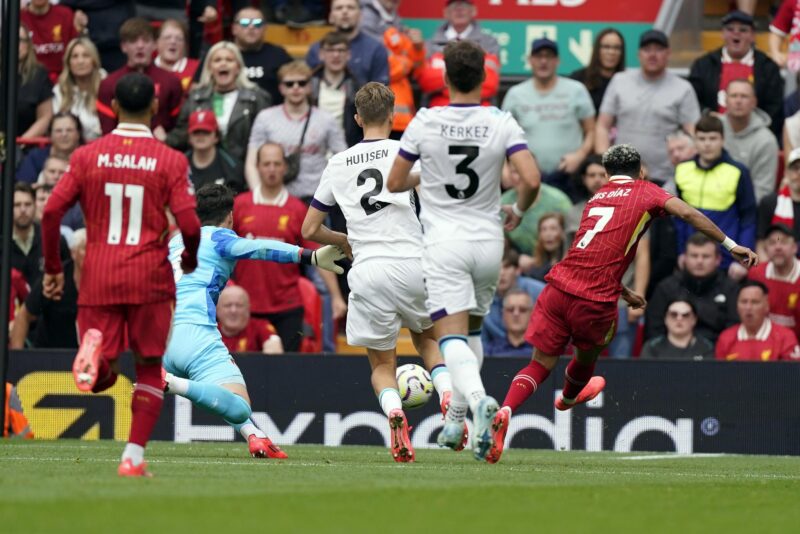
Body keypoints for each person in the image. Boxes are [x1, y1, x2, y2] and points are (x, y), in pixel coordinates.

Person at [487, 143, 759, 464]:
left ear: (605, 174)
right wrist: (730, 245)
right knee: (587, 355)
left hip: (558, 288)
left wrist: (626, 292)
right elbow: (687, 212)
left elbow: (594, 254)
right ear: (641, 171)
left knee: (540, 364)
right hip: (594, 300)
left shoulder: (596, 198)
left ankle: (506, 408)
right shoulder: (646, 191)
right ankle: (570, 396)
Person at [41, 73, 202, 477]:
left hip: (98, 274)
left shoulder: (86, 155)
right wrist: (190, 260)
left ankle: (99, 355)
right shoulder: (171, 160)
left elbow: (50, 213)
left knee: (100, 377)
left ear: (112, 108)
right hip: (150, 277)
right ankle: (132, 458)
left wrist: (55, 268)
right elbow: (190, 223)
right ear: (153, 108)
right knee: (149, 368)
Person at [387, 40, 541, 461]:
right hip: (489, 241)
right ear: (486, 78)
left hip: (445, 242)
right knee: (471, 332)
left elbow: (395, 183)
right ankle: (456, 419)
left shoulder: (425, 121)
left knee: (449, 335)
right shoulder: (501, 120)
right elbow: (530, 178)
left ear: (445, 78)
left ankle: (477, 403)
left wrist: (429, 173)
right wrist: (519, 211)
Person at [302, 81, 456, 462]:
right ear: (392, 116)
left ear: (356, 118)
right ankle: (449, 394)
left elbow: (308, 230)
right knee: (428, 341)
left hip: (368, 268)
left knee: (383, 364)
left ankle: (394, 413)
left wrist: (343, 239)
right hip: (414, 263)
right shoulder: (406, 155)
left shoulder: (336, 164)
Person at [163, 184, 344, 459]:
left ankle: (255, 436)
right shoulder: (221, 237)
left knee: (222, 393)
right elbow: (260, 247)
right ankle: (171, 382)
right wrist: (311, 256)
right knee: (238, 405)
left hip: (160, 336)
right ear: (230, 217)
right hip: (195, 334)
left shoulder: (176, 241)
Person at [234, 142, 347, 351]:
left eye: (277, 164)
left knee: (286, 375)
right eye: (266, 164)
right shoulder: (239, 205)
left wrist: (337, 297)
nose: (271, 169)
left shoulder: (297, 209)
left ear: (285, 168)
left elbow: (319, 256)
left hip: (287, 308)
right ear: (257, 167)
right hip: (244, 309)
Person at [596, 29, 700, 188]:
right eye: (647, 49)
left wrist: (683, 164)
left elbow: (693, 134)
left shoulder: (683, 88)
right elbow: (602, 126)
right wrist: (605, 164)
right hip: (622, 175)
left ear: (668, 53)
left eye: (659, 49)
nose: (652, 55)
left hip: (666, 179)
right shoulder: (620, 81)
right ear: (638, 54)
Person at [502, 38, 594, 198]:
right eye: (538, 56)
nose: (543, 61)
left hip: (568, 176)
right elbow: (502, 137)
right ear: (530, 60)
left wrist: (580, 155)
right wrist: (504, 169)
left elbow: (592, 130)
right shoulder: (515, 94)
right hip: (528, 176)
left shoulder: (576, 90)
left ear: (557, 61)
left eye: (549, 56)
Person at [246, 61, 347, 198]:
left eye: (302, 83)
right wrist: (259, 197)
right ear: (281, 88)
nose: (295, 87)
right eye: (289, 84)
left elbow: (343, 159)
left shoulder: (327, 120)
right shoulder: (265, 118)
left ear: (309, 87)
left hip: (315, 199)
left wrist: (329, 194)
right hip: (275, 198)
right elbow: (252, 162)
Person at [675, 115, 757, 274]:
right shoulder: (682, 170)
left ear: (723, 140)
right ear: (695, 141)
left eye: (713, 138)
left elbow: (748, 218)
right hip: (692, 259)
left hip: (727, 262)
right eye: (702, 138)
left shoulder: (738, 171)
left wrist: (743, 260)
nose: (707, 144)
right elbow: (679, 220)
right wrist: (681, 253)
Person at [168, 41, 272, 164]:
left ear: (238, 68)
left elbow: (266, 139)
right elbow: (182, 135)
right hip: (203, 169)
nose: (223, 63)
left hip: (244, 170)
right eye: (217, 60)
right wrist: (163, 139)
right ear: (210, 68)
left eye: (229, 60)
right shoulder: (195, 98)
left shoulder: (257, 98)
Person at [689, 10, 784, 139]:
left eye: (743, 30)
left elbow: (775, 107)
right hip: (711, 135)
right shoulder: (703, 64)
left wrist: (753, 127)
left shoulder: (768, 67)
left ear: (752, 36)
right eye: (730, 29)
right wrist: (708, 116)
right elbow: (692, 100)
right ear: (722, 34)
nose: (736, 33)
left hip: (754, 136)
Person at [646, 232, 741, 344]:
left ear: (718, 260)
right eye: (694, 256)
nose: (699, 261)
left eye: (706, 256)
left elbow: (734, 329)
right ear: (684, 258)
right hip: (672, 354)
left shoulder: (730, 289)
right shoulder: (666, 288)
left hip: (716, 354)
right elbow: (654, 329)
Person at [96, 18, 184, 138]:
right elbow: (107, 130)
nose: (140, 46)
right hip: (121, 151)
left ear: (154, 45)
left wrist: (168, 140)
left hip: (161, 149)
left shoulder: (171, 81)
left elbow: (179, 125)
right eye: (133, 41)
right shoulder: (108, 84)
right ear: (123, 46)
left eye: (146, 40)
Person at [360, 0, 426, 137]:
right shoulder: (365, 19)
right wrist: (406, 61)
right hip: (377, 113)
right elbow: (383, 65)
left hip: (399, 113)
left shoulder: (395, 19)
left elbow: (418, 70)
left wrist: (418, 49)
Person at [10, 229, 85, 349]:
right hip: (49, 357)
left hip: (88, 359)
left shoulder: (104, 280)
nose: (90, 254)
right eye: (85, 249)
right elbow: (24, 316)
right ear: (73, 253)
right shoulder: (56, 278)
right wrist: (16, 361)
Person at [417, 0, 500, 108]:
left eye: (464, 5)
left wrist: (447, 81)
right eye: (454, 6)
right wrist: (469, 76)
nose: (459, 10)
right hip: (438, 114)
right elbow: (426, 82)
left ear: (474, 11)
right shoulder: (429, 45)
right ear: (445, 12)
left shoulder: (489, 43)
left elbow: (490, 84)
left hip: (480, 115)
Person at [720, 79, 779, 203]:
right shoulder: (713, 129)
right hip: (708, 205)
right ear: (725, 101)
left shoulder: (766, 140)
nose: (738, 101)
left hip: (747, 211)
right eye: (734, 96)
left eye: (744, 96)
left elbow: (763, 191)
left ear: (754, 102)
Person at [305, 0, 389, 87]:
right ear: (330, 17)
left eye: (350, 7)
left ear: (361, 16)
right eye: (339, 8)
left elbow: (381, 93)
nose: (345, 11)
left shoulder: (376, 49)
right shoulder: (316, 49)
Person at [716, 281, 800, 361]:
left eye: (755, 302)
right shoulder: (726, 338)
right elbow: (720, 374)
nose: (748, 307)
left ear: (766, 306)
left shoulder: (785, 337)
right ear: (737, 306)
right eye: (744, 302)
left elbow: (792, 373)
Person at [482, 247, 545, 348]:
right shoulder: (482, 299)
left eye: (506, 267)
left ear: (518, 270)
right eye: (497, 268)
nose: (501, 273)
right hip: (496, 354)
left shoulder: (540, 292)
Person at [11, 182, 70, 288]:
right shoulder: (3, 242)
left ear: (35, 205)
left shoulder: (54, 240)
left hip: (47, 303)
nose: (23, 210)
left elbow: (68, 279)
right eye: (17, 205)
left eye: (28, 204)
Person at [310, 31, 363, 147]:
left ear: (349, 54)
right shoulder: (308, 85)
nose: (336, 55)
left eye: (341, 50)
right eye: (330, 50)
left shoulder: (358, 88)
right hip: (314, 150)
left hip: (346, 150)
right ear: (321, 54)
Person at [748, 224, 800, 340]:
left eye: (784, 242)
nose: (778, 247)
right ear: (765, 249)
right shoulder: (756, 274)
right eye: (772, 243)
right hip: (764, 343)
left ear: (795, 248)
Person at [232, 6, 293, 105]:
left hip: (272, 115)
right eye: (245, 23)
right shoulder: (222, 55)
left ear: (265, 28)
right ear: (234, 29)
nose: (251, 27)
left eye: (257, 23)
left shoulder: (279, 55)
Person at [52, 37, 104, 141]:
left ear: (94, 60)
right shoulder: (59, 90)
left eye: (86, 56)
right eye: (75, 56)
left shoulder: (106, 87)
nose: (80, 61)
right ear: (68, 62)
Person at [185, 110, 246, 194]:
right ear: (189, 137)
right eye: (196, 132)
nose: (200, 136)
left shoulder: (232, 166)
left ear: (216, 136)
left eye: (206, 132)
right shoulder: (179, 163)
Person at [569, 28, 626, 115]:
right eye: (606, 47)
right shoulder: (578, 79)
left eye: (617, 48)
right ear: (596, 50)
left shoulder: (628, 81)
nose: (611, 52)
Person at [16, 111, 83, 184]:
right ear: (50, 135)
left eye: (69, 130)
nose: (64, 134)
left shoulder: (87, 158)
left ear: (78, 134)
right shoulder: (35, 157)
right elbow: (22, 185)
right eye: (58, 131)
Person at [21, 0, 79, 82]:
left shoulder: (65, 14)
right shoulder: (19, 18)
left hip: (63, 80)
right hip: (29, 80)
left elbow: (75, 48)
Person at [757, 147, 800, 257]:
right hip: (776, 268)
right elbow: (761, 244)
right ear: (786, 173)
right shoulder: (770, 202)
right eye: (795, 168)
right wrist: (769, 272)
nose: (799, 173)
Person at [639, 299, 715, 360]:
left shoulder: (706, 347)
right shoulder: (652, 347)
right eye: (673, 314)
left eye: (685, 315)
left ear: (694, 320)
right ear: (665, 319)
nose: (679, 319)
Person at [217, 285, 283, 354]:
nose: (233, 310)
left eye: (239, 305)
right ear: (217, 309)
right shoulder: (210, 331)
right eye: (228, 305)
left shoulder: (260, 326)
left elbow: (275, 351)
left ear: (248, 308)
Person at [17, 22, 54, 140]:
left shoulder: (39, 74)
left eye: (20, 40)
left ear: (29, 44)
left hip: (26, 144)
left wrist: (19, 144)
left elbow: (46, 117)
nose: (15, 44)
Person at [154, 19, 199, 97]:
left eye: (179, 39)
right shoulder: (147, 69)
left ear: (185, 45)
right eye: (167, 37)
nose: (173, 42)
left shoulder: (197, 68)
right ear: (157, 43)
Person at [567, 155, 607, 242]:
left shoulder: (624, 209)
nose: (597, 180)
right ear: (584, 179)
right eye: (592, 175)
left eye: (602, 175)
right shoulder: (575, 212)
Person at [484, 289, 535, 358]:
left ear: (532, 314)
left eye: (522, 310)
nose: (516, 314)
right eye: (510, 309)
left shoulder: (541, 351)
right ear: (503, 314)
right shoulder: (489, 352)